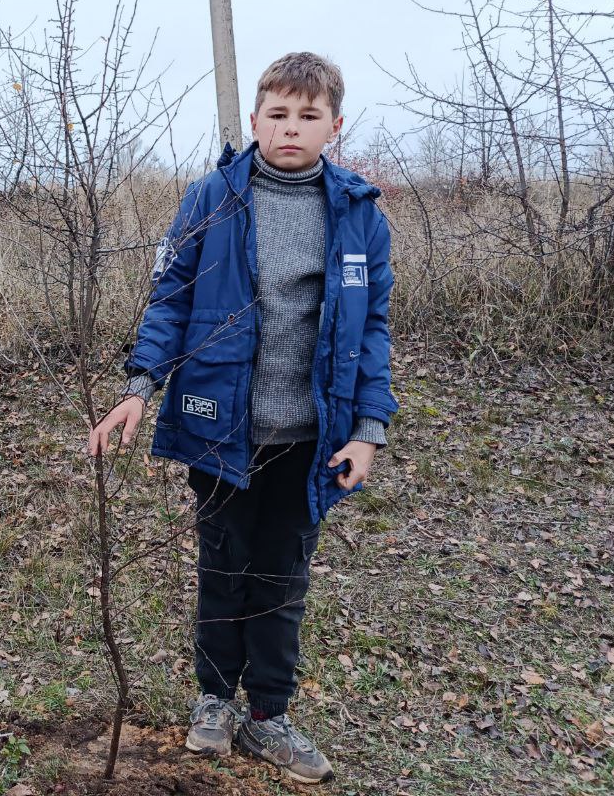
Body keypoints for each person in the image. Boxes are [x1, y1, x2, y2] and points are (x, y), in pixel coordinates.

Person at [88, 52, 397, 785]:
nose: (292, 128)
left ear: (335, 126)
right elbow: (170, 300)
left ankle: (269, 714)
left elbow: (374, 329)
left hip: (311, 441)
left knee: (282, 576)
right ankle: (214, 701)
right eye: (278, 114)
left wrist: (367, 429)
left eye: (308, 116)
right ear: (254, 121)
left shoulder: (360, 215)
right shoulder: (211, 199)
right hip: (220, 430)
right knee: (223, 568)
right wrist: (140, 386)